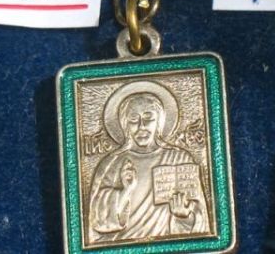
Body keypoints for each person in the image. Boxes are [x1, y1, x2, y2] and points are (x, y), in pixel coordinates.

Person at [88, 86, 209, 244]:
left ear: (159, 121)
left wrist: (184, 216)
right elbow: (95, 222)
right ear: (124, 124)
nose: (141, 126)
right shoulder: (112, 163)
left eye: (148, 118)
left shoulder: (179, 158)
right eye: (133, 119)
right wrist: (126, 191)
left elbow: (203, 221)